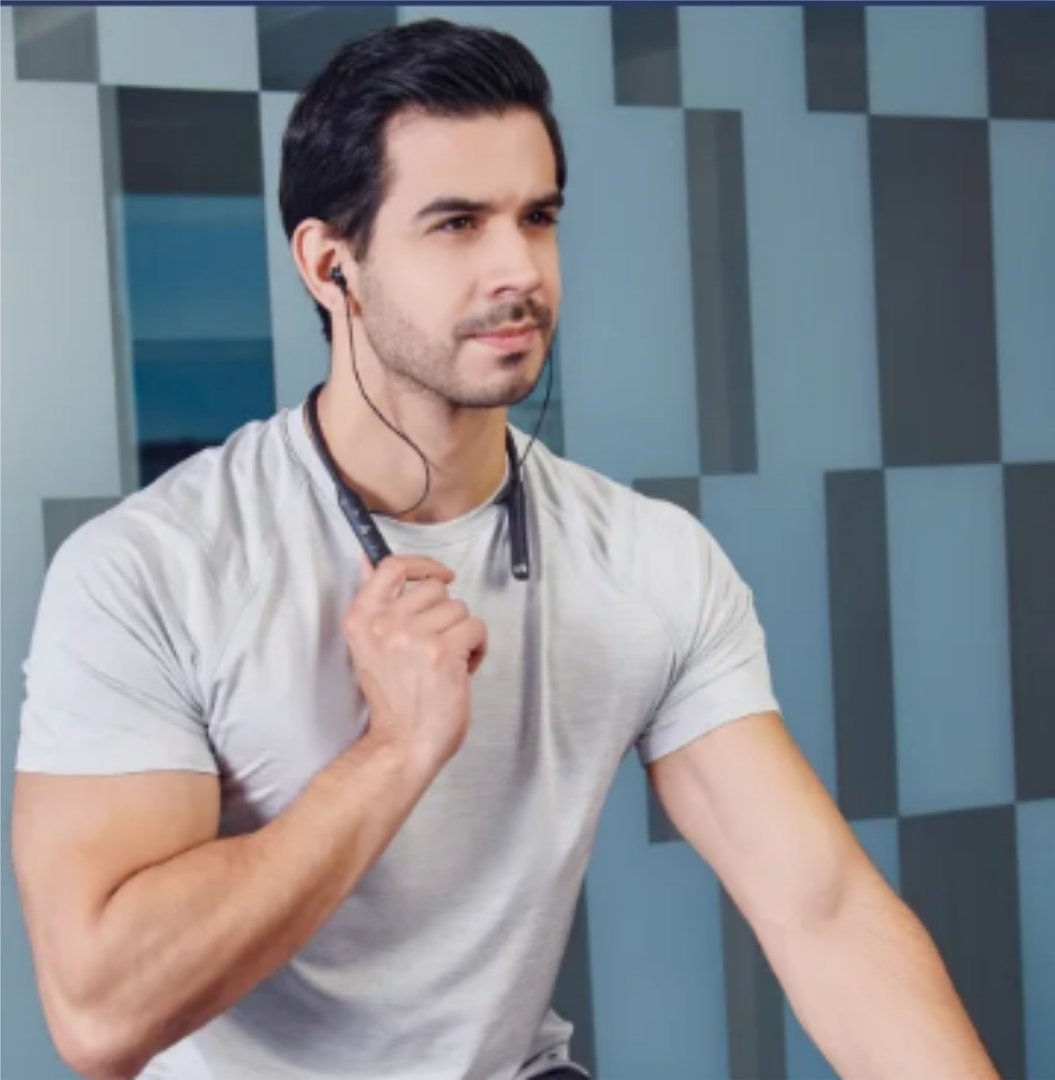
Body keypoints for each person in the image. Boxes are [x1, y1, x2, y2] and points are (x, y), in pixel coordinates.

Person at [11, 18, 997, 1080]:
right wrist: (396, 751)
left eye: (536, 217)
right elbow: (102, 1015)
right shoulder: (151, 570)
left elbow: (826, 912)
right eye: (456, 223)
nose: (516, 269)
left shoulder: (647, 562)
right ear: (329, 263)